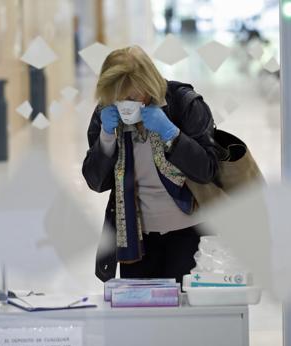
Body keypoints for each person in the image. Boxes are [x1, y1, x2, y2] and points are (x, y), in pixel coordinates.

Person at [82, 46, 221, 284]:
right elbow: (96, 182)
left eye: (132, 98)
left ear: (149, 84)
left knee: (185, 315)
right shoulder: (106, 112)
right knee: (141, 314)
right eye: (118, 97)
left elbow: (207, 169)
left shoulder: (184, 104)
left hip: (190, 233)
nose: (125, 104)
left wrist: (172, 134)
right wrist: (106, 137)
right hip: (135, 240)